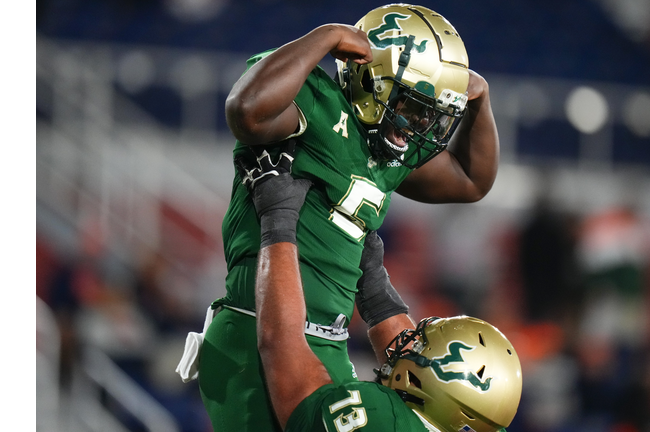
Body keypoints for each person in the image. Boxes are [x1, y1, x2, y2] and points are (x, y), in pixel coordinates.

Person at [185, 4, 501, 430]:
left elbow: (472, 181)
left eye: (430, 113)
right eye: (411, 106)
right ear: (370, 81)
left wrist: (481, 101)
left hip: (326, 341)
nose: (419, 125)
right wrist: (326, 37)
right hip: (258, 330)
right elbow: (247, 110)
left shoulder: (385, 148)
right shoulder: (319, 105)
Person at [240, 143, 522, 431]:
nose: (410, 341)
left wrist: (278, 219)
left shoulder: (383, 419)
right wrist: (373, 283)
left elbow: (282, 352)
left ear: (447, 393)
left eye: (422, 347)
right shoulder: (479, 420)